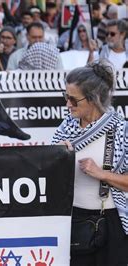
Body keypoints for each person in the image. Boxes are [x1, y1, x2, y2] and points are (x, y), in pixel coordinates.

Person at [52, 61, 128, 265]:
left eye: (73, 100)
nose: (68, 104)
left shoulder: (122, 130)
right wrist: (56, 157)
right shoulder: (64, 130)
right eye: (65, 97)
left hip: (112, 222)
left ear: (93, 99)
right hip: (74, 221)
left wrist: (102, 174)